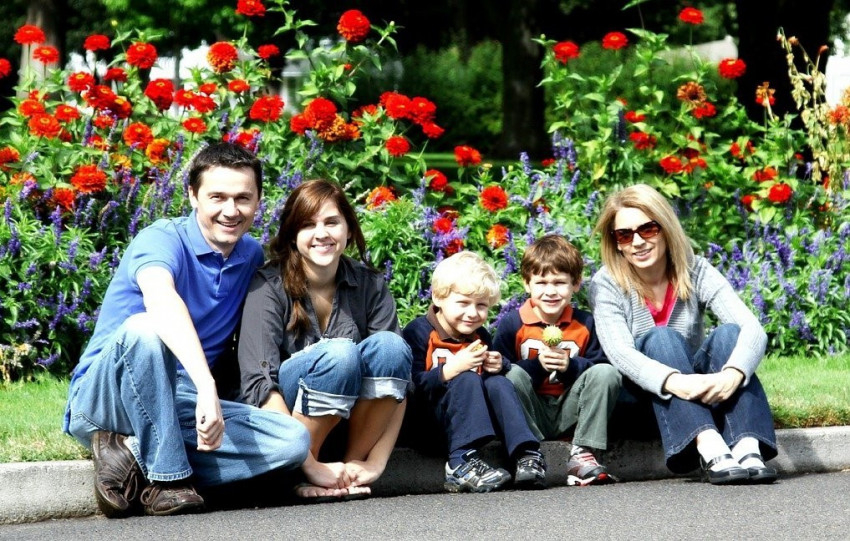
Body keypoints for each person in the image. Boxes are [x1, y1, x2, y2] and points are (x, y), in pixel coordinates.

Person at [63, 142, 311, 518]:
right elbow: (161, 300)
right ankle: (169, 481)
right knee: (146, 328)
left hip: (181, 404)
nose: (231, 210)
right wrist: (206, 386)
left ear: (258, 201)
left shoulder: (250, 255)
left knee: (291, 441)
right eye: (217, 197)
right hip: (108, 396)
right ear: (193, 195)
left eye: (243, 198)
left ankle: (128, 453)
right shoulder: (161, 239)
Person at [588, 183, 778, 485]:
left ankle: (746, 447)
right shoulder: (606, 283)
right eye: (624, 235)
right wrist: (675, 382)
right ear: (616, 243)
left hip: (696, 394)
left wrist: (733, 373)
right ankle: (710, 448)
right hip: (643, 401)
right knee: (661, 338)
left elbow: (752, 328)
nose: (637, 242)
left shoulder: (694, 269)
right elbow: (620, 353)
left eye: (647, 229)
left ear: (665, 229)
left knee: (731, 334)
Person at [237, 179, 412, 502]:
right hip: (284, 430)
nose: (322, 234)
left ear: (348, 229)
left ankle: (348, 470)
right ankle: (299, 474)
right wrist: (307, 463)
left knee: (392, 347)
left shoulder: (370, 284)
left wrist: (375, 463)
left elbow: (399, 384)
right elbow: (259, 385)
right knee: (340, 354)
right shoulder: (268, 286)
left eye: (332, 222)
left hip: (349, 429)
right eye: (308, 225)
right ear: (292, 234)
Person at [403, 251, 547, 493]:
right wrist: (451, 369)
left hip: (472, 423)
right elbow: (411, 387)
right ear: (438, 297)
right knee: (467, 378)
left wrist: (498, 365)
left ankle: (525, 453)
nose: (472, 313)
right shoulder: (418, 332)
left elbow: (488, 385)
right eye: (463, 303)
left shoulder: (480, 336)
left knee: (498, 383)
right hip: (429, 425)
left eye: (481, 306)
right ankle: (459, 463)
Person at [494, 234, 622, 486]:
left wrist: (570, 366)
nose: (550, 291)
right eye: (541, 282)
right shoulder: (512, 324)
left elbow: (599, 367)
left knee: (607, 373)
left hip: (570, 410)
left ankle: (582, 452)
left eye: (560, 282)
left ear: (576, 284)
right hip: (531, 412)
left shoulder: (585, 323)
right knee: (510, 375)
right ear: (527, 284)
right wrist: (537, 366)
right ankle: (528, 453)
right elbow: (498, 374)